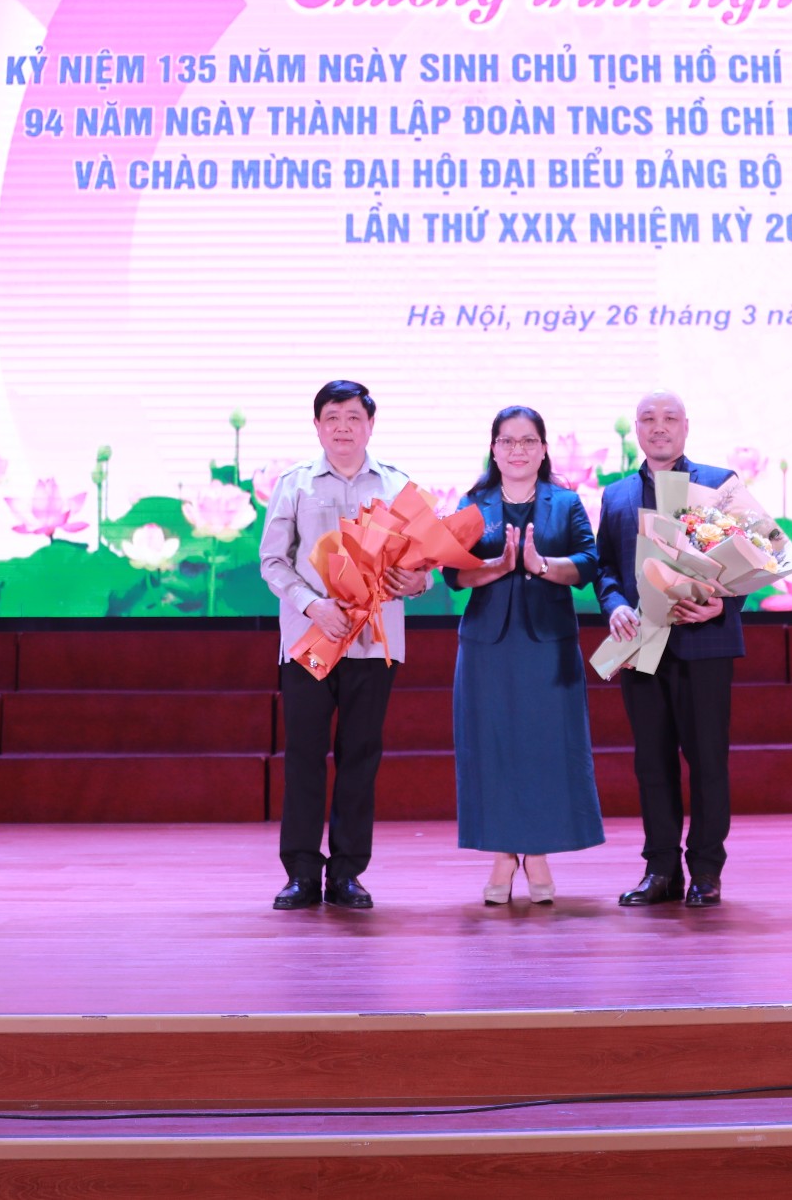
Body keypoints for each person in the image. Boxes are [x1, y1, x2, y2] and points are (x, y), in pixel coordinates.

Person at [256, 379, 430, 911]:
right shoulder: (294, 484)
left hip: (373, 645)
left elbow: (423, 568)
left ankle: (348, 873)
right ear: (317, 426)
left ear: (370, 425)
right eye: (332, 418)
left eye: (353, 417)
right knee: (305, 757)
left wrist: (417, 581)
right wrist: (314, 605)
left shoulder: (399, 486)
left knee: (361, 756)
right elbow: (273, 561)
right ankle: (301, 873)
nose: (343, 428)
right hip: (312, 638)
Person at [444, 406, 605, 905]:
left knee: (544, 747)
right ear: (493, 449)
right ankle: (502, 854)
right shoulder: (473, 504)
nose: (518, 450)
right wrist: (497, 567)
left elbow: (588, 563)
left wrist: (541, 565)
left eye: (528, 440)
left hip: (548, 644)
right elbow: (453, 574)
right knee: (492, 748)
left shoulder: (567, 502)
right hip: (488, 646)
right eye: (507, 441)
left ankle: (536, 853)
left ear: (543, 449)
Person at [593, 389, 741, 908]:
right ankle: (660, 870)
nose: (659, 427)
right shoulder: (615, 496)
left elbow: (751, 558)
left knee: (707, 761)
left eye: (670, 418)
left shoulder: (718, 484)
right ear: (636, 428)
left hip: (705, 642)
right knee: (651, 762)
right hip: (641, 643)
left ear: (685, 427)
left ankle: (706, 871)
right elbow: (605, 568)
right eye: (648, 419)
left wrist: (723, 605)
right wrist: (614, 604)